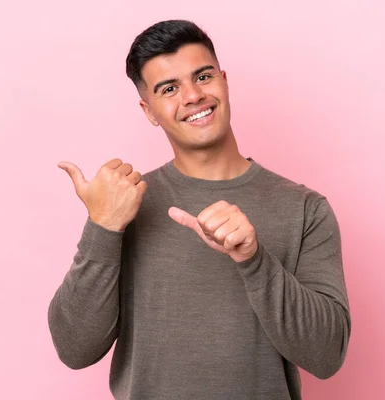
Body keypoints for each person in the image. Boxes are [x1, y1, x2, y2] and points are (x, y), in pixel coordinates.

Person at [48, 19, 351, 400]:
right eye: (169, 88)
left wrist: (254, 260)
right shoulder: (124, 206)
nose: (192, 96)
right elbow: (74, 349)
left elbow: (327, 356)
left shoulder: (306, 209)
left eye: (203, 77)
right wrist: (103, 227)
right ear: (149, 110)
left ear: (224, 80)